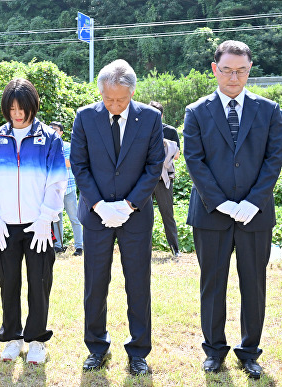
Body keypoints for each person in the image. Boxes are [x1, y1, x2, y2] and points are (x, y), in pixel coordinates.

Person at [183, 40, 282, 379]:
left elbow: (274, 159)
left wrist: (253, 202)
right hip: (211, 214)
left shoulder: (269, 110)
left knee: (253, 284)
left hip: (255, 214)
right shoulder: (196, 111)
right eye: (227, 70)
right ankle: (214, 351)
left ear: (250, 70)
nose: (234, 77)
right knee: (213, 283)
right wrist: (221, 202)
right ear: (215, 69)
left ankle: (249, 352)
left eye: (241, 70)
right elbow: (193, 160)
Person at [70, 60, 164, 376]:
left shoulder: (150, 118)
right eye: (108, 99)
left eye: (120, 100)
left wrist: (128, 205)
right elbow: (79, 165)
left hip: (135, 216)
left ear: (132, 92)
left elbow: (154, 165)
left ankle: (138, 352)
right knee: (96, 284)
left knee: (138, 284)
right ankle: (97, 347)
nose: (113, 105)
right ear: (101, 92)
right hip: (96, 217)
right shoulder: (85, 117)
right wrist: (98, 205)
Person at [0, 78, 67, 364]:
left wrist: (46, 218)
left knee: (39, 281)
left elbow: (57, 182)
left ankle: (37, 339)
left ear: (33, 107)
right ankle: (12, 337)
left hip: (38, 224)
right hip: (5, 225)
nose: (18, 114)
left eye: (23, 108)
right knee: (8, 282)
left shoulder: (50, 139)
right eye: (12, 108)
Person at [148, 101, 181, 258]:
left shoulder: (170, 131)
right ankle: (142, 248)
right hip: (145, 178)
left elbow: (177, 155)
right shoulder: (140, 129)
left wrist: (165, 146)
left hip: (164, 178)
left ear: (161, 115)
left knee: (167, 214)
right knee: (143, 215)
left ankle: (175, 249)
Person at [49, 121, 83, 256]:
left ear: (61, 132)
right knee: (57, 219)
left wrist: (52, 160)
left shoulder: (68, 146)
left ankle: (79, 247)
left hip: (68, 187)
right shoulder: (47, 147)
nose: (52, 131)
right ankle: (58, 246)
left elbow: (68, 163)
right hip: (54, 189)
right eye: (50, 129)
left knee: (75, 218)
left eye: (55, 129)